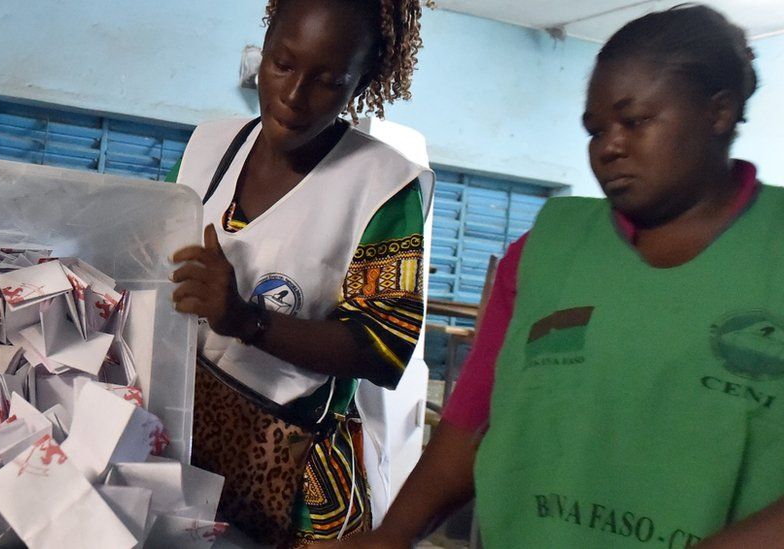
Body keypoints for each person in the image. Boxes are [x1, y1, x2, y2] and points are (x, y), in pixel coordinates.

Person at [328, 5, 781, 548]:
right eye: (595, 130)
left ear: (719, 112)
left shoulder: (769, 250)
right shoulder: (549, 249)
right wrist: (391, 535)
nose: (608, 146)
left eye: (634, 121)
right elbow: (472, 421)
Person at [168, 0, 431, 545]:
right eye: (282, 65)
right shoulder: (208, 146)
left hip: (291, 478)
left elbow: (384, 350)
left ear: (362, 81)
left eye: (328, 81)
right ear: (262, 52)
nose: (292, 96)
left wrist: (245, 320)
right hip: (181, 439)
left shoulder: (382, 186)